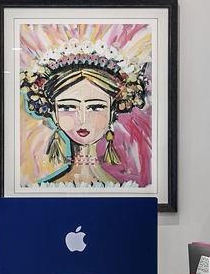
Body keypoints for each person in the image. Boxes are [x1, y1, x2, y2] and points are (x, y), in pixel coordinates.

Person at [18, 43, 152, 187]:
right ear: (54, 114)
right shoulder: (42, 190)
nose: (82, 119)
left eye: (95, 107)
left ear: (112, 111)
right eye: (67, 107)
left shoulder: (127, 190)